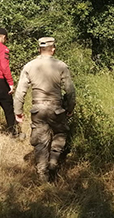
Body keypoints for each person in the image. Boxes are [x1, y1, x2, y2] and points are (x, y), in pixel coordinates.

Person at [14, 37, 76, 182]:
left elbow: (20, 91)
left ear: (39, 49)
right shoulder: (61, 66)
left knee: (41, 141)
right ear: (53, 49)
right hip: (56, 108)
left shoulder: (29, 66)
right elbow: (70, 90)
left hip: (38, 109)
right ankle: (53, 162)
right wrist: (70, 107)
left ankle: (42, 174)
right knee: (60, 133)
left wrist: (18, 110)